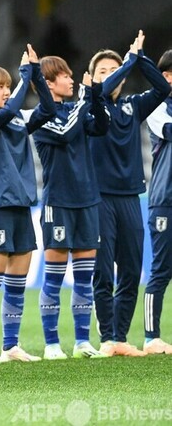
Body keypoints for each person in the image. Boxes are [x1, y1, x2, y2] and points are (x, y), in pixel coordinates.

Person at [0, 45, 55, 363]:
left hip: (21, 204)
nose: (6, 91)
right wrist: (24, 77)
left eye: (8, 85)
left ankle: (11, 345)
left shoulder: (16, 118)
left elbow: (48, 110)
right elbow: (5, 113)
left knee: (17, 283)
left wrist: (37, 76)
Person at [89, 31, 165, 357]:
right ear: (93, 78)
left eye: (115, 70)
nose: (110, 76)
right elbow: (102, 90)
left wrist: (140, 58)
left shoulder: (133, 106)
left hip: (131, 196)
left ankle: (120, 337)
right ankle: (107, 337)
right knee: (103, 271)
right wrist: (126, 64)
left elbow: (163, 89)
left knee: (132, 271)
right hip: (99, 197)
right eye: (103, 71)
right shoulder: (90, 105)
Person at [31, 54, 109, 360]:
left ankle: (82, 342)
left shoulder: (76, 109)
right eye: (65, 75)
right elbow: (65, 133)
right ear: (49, 83)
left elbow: (100, 126)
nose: (72, 79)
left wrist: (96, 97)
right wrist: (85, 99)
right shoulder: (42, 115)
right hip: (58, 202)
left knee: (84, 277)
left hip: (87, 199)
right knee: (53, 277)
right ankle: (51, 343)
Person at [142, 49, 172, 355]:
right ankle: (152, 337)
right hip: (166, 201)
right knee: (162, 269)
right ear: (167, 76)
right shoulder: (157, 108)